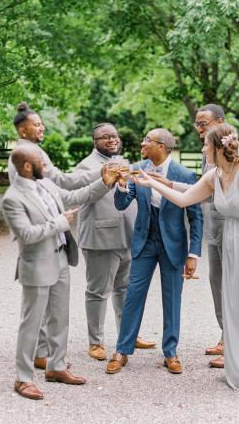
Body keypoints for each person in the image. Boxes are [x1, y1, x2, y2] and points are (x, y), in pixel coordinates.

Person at [134, 124, 239, 396]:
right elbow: (185, 198)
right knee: (237, 305)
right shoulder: (215, 175)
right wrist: (151, 182)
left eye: (206, 145)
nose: (202, 149)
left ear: (219, 148)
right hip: (234, 243)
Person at [2, 146, 117, 400]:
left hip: (62, 259)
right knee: (31, 323)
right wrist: (60, 223)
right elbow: (27, 235)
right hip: (36, 265)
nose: (47, 165)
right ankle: (23, 378)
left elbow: (77, 195)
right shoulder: (13, 198)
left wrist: (104, 183)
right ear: (28, 167)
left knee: (60, 318)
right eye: (42, 162)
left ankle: (56, 367)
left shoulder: (47, 186)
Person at [149, 104, 239, 369]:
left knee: (232, 288)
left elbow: (208, 191)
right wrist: (165, 183)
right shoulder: (209, 152)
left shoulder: (233, 153)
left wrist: (167, 185)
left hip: (232, 230)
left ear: (220, 122)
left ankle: (236, 348)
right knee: (218, 284)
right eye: (197, 124)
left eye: (203, 123)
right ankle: (226, 337)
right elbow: (201, 187)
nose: (198, 129)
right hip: (215, 231)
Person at [8, 102, 100, 370]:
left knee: (55, 309)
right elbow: (62, 183)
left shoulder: (35, 153)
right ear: (23, 129)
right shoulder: (24, 157)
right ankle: (35, 359)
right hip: (42, 240)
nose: (42, 128)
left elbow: (63, 187)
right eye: (37, 125)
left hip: (58, 244)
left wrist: (103, 179)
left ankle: (47, 357)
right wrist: (57, 221)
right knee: (37, 309)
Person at [106, 129, 203, 375]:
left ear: (162, 146)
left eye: (147, 140)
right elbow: (122, 204)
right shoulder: (136, 168)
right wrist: (122, 184)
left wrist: (194, 254)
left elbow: (196, 217)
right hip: (144, 241)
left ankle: (171, 352)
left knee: (172, 299)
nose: (142, 142)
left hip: (174, 244)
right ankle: (122, 350)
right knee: (133, 296)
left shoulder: (184, 175)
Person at [75, 123, 155, 361]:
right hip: (101, 239)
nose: (112, 140)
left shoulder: (125, 162)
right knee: (98, 292)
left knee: (126, 290)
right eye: (105, 137)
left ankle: (127, 335)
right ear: (95, 141)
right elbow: (83, 198)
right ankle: (96, 342)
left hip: (128, 237)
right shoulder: (85, 167)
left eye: (115, 136)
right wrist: (106, 179)